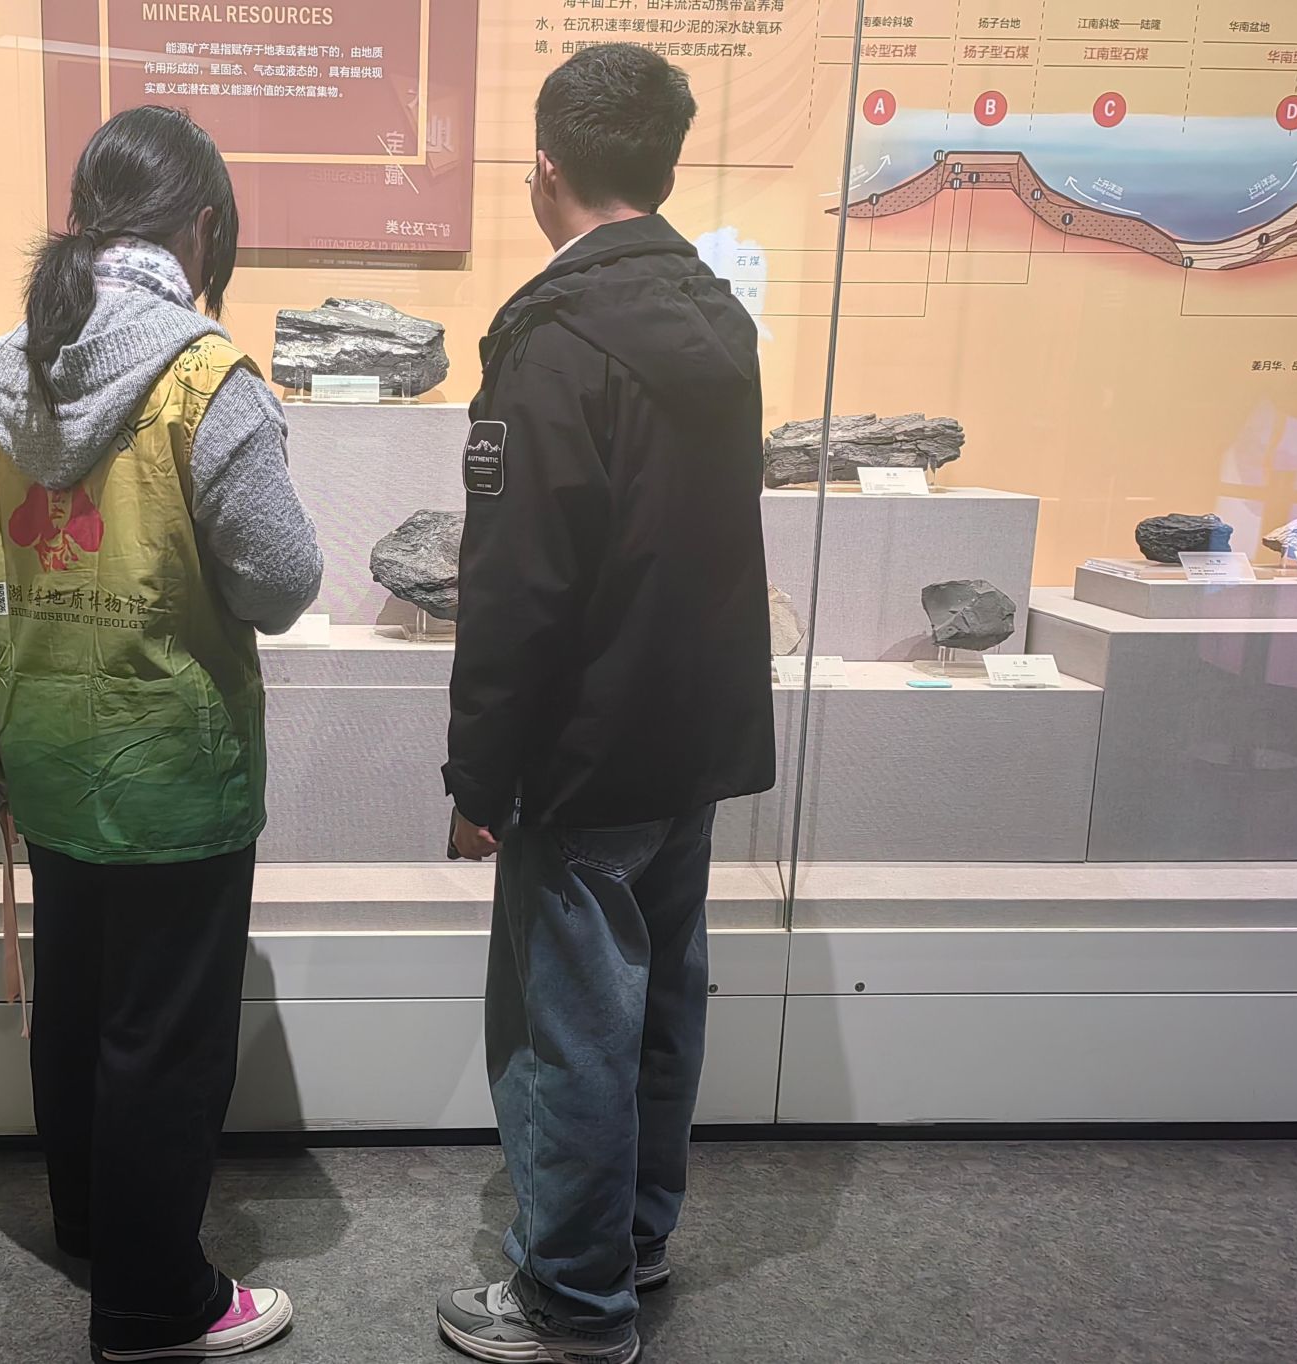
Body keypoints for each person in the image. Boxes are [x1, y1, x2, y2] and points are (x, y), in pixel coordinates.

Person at [0, 105, 323, 1362]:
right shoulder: (206, 377)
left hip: (45, 748)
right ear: (200, 225)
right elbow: (280, 581)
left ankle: (94, 1224)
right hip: (171, 765)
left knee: (80, 1001)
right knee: (165, 1033)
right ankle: (154, 1304)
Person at [435, 44, 775, 1364]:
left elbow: (516, 588)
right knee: (660, 1005)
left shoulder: (553, 340)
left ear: (545, 166)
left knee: (566, 1028)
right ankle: (631, 1238)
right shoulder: (719, 317)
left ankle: (573, 1304)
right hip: (691, 737)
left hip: (583, 752)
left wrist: (479, 780)